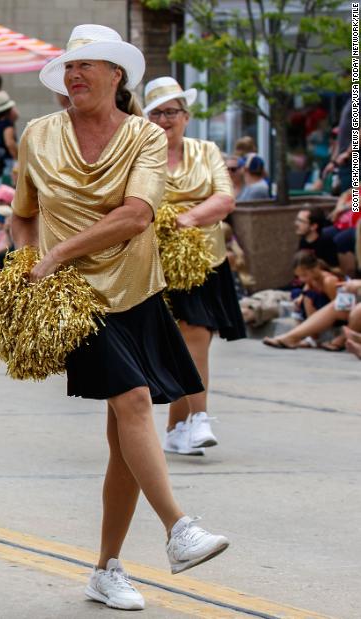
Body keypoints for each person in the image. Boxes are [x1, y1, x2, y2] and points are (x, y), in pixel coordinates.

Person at [16, 25, 229, 611]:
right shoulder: (37, 135)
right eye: (69, 65)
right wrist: (31, 266)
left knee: (122, 443)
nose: (75, 74)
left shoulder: (145, 136)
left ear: (117, 76)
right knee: (135, 403)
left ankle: (106, 568)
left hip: (137, 292)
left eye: (89, 64)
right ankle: (179, 529)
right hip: (74, 299)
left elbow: (137, 216)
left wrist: (57, 249)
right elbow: (24, 214)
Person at [142, 77, 243, 458]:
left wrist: (185, 219)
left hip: (203, 260)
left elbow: (225, 197)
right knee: (184, 341)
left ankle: (187, 423)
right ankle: (187, 422)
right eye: (158, 112)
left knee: (195, 337)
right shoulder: (140, 155)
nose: (166, 119)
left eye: (173, 111)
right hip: (154, 262)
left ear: (186, 116)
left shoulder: (206, 151)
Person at [264, 263, 358, 349]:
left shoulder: (328, 280)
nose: (301, 279)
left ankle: (342, 339)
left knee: (355, 310)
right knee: (330, 304)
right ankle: (292, 337)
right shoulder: (311, 282)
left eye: (304, 275)